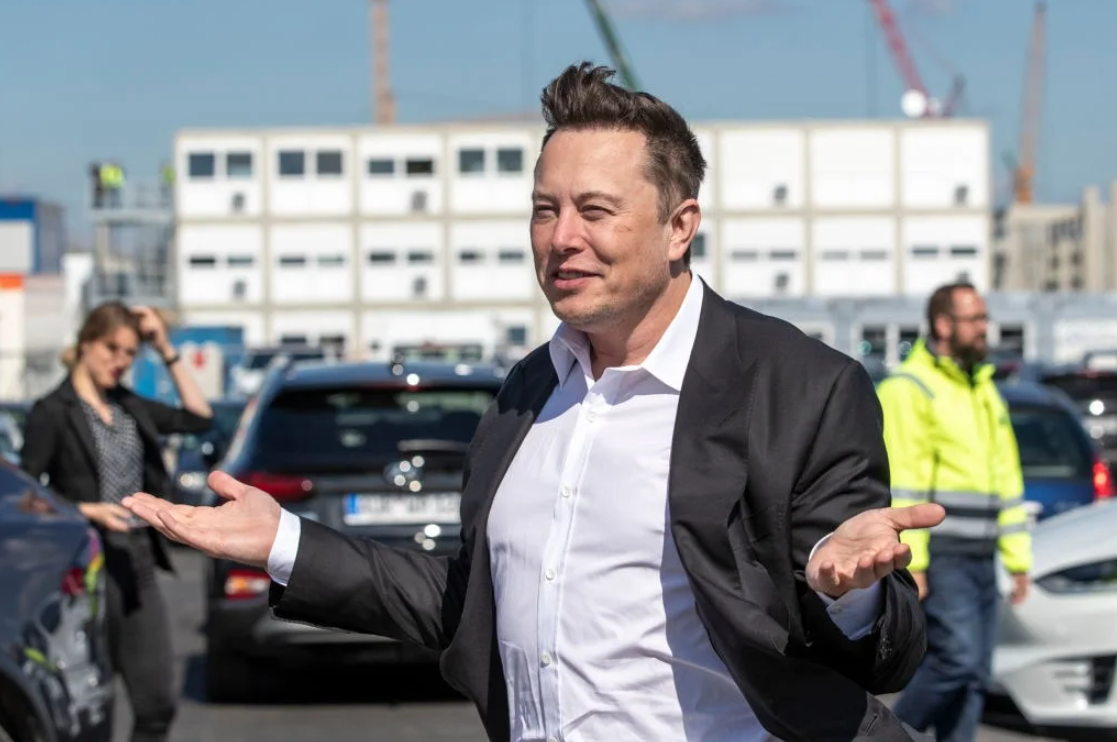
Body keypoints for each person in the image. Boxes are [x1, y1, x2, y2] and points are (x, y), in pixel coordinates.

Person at [123, 63, 944, 742]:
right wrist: (285, 542)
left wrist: (847, 591)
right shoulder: (528, 388)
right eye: (545, 210)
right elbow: (469, 600)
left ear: (679, 225)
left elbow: (884, 655)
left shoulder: (799, 386)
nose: (561, 238)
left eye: (595, 211)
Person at [21, 302, 214, 742]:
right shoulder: (52, 411)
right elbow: (28, 495)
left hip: (136, 559)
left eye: (130, 352)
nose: (121, 361)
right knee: (93, 707)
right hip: (83, 569)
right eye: (112, 348)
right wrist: (87, 510)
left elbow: (200, 418)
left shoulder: (128, 404)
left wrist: (165, 348)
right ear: (86, 343)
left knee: (157, 701)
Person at [880, 282, 1031, 742]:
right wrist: (914, 562)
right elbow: (905, 479)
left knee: (975, 676)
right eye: (975, 319)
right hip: (943, 555)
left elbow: (1007, 477)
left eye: (985, 318)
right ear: (944, 325)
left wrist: (1018, 559)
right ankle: (885, 737)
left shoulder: (982, 388)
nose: (985, 328)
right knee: (955, 661)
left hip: (982, 556)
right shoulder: (909, 389)